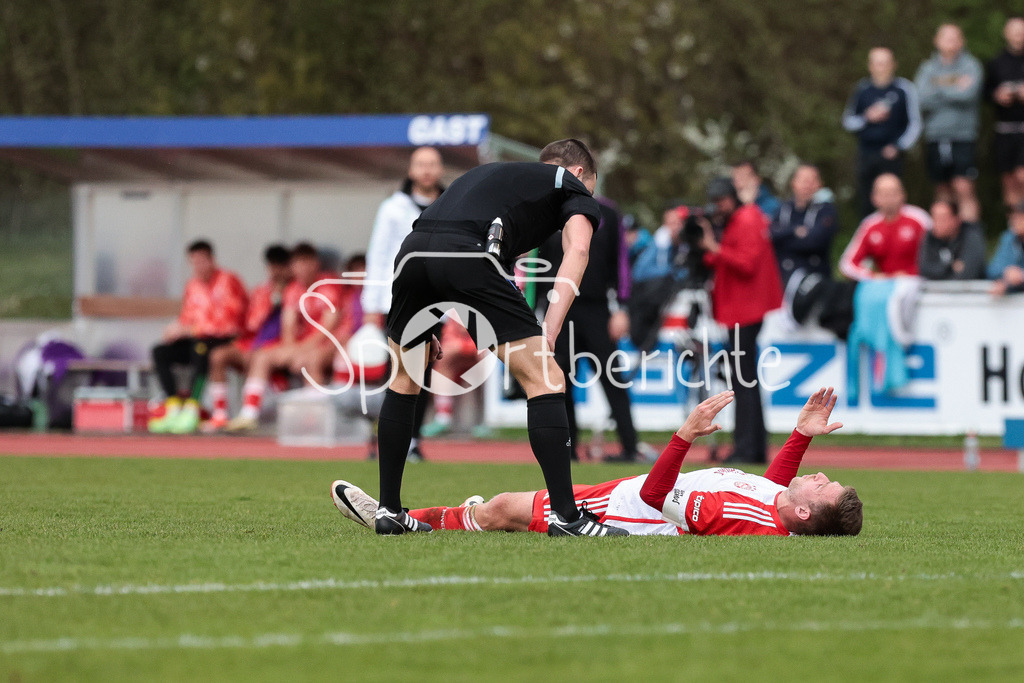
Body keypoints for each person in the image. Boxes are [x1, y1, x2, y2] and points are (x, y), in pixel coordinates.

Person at [374, 138, 627, 537]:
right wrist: (552, 327)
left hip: (413, 255)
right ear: (578, 174)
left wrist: (432, 316)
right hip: (466, 253)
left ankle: (389, 510)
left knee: (404, 379)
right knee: (547, 379)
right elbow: (577, 251)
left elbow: (441, 241)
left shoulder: (495, 178)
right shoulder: (570, 183)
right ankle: (567, 517)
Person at [332, 388, 863, 537]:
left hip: (622, 509)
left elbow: (658, 499)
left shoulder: (743, 520)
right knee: (501, 508)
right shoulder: (773, 510)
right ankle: (456, 517)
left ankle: (403, 520)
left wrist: (681, 436)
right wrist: (798, 436)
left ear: (804, 514)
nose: (819, 476)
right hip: (628, 493)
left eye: (824, 487)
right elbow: (761, 488)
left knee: (502, 508)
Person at [536, 197, 642, 462]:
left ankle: (630, 447)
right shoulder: (546, 210)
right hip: (559, 308)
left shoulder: (607, 212)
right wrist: (536, 310)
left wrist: (621, 306)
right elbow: (537, 264)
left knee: (613, 380)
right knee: (560, 384)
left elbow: (621, 262)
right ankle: (567, 450)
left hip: (597, 310)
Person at [362, 147, 445, 462]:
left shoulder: (450, 204)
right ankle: (384, 439)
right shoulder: (392, 208)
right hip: (395, 301)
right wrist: (372, 303)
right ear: (411, 170)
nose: (426, 170)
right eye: (420, 164)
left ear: (439, 170)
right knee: (394, 370)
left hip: (435, 300)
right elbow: (378, 255)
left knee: (424, 371)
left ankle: (413, 439)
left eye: (432, 164)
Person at [698, 178, 783, 465]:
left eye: (721, 200)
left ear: (732, 197)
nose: (717, 206)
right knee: (744, 380)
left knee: (743, 381)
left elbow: (745, 263)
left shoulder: (746, 219)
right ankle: (752, 447)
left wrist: (713, 245)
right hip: (742, 308)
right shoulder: (742, 218)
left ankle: (748, 447)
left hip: (745, 309)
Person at [225, 243, 343, 431]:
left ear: (315, 264)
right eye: (297, 263)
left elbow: (328, 328)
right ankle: (249, 414)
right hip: (302, 345)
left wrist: (301, 351)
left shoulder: (328, 285)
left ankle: (313, 421)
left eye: (306, 262)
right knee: (262, 356)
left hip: (329, 344)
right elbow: (288, 325)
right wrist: (291, 350)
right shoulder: (293, 289)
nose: (302, 268)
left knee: (311, 361)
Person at [148, 240, 248, 434]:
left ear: (212, 260)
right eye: (194, 262)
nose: (198, 266)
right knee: (160, 352)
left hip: (224, 340)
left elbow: (230, 323)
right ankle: (174, 406)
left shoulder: (228, 281)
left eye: (202, 261)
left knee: (200, 346)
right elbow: (187, 317)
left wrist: (191, 330)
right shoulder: (192, 285)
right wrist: (175, 329)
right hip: (196, 339)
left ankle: (193, 407)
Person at [203, 244, 292, 431]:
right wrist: (271, 300)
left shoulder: (296, 291)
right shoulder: (262, 291)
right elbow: (251, 324)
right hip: (252, 343)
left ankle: (249, 415)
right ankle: (220, 416)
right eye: (272, 266)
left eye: (280, 266)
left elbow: (292, 332)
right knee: (218, 355)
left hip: (277, 347)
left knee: (259, 358)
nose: (276, 271)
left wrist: (282, 298)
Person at [914, 24, 983, 222]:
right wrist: (954, 86)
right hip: (935, 136)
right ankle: (945, 240)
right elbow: (922, 98)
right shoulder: (927, 68)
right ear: (936, 41)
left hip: (963, 136)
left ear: (962, 41)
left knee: (964, 187)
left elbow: (968, 95)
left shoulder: (971, 66)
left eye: (955, 38)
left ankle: (970, 240)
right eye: (946, 38)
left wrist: (938, 86)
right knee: (942, 190)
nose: (951, 42)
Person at [843, 47, 922, 217]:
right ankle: (870, 239)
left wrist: (898, 146)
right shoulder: (862, 89)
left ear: (894, 65)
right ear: (870, 66)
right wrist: (867, 117)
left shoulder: (904, 89)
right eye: (878, 63)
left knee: (893, 201)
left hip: (892, 155)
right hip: (866, 153)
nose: (882, 67)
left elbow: (915, 124)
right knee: (866, 201)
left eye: (886, 63)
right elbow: (848, 122)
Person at [839, 173, 932, 281]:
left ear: (903, 194)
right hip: (884, 287)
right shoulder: (869, 225)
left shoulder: (919, 219)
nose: (889, 198)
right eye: (883, 193)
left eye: (893, 192)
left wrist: (911, 274)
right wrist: (873, 277)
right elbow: (847, 264)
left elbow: (936, 252)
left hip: (920, 284)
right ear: (874, 197)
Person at [770, 164, 840, 287]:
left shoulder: (826, 210)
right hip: (783, 279)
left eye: (812, 181)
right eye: (804, 181)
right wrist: (794, 231)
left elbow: (816, 241)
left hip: (817, 280)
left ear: (819, 184)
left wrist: (784, 238)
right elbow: (770, 235)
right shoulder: (782, 209)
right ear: (794, 183)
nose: (807, 185)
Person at [985, 17, 1024, 208]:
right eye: (1015, 31)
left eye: (1022, 31)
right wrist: (998, 95)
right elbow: (985, 93)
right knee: (1009, 180)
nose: (1019, 35)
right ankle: (1015, 229)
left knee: (1022, 175)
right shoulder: (996, 63)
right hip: (1004, 129)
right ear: (1006, 34)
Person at [918, 200, 987, 281]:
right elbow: (925, 269)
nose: (937, 223)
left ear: (956, 220)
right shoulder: (930, 237)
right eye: (934, 218)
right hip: (938, 292)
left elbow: (968, 273)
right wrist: (950, 266)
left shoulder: (971, 236)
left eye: (942, 218)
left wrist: (941, 271)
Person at [988, 200, 1024, 296]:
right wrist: (1007, 272)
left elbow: (1017, 277)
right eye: (1013, 217)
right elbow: (993, 270)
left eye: (1019, 217)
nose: (1014, 220)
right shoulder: (1008, 238)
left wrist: (1021, 275)